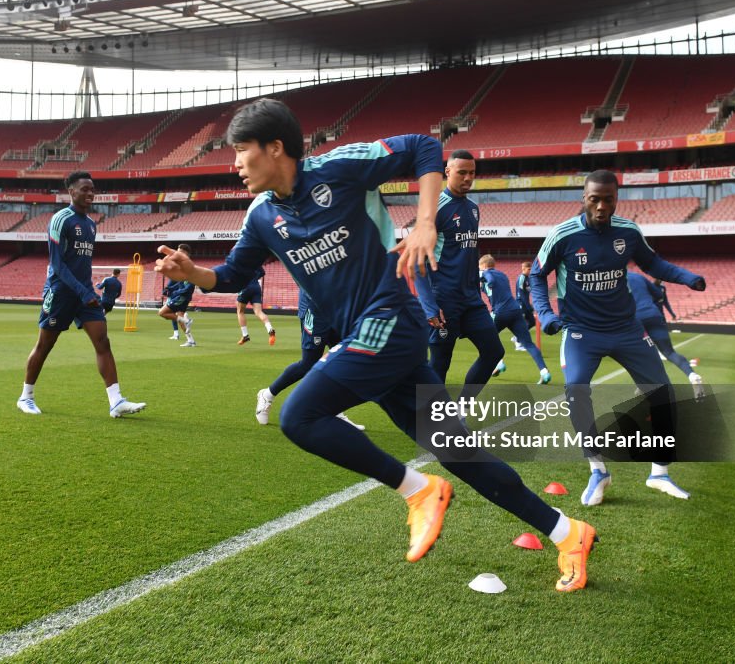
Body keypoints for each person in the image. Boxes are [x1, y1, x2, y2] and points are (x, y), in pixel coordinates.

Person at [156, 99, 596, 591]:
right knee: (459, 452)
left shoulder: (339, 170)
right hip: (366, 339)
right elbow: (235, 272)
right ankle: (567, 532)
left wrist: (427, 222)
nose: (235, 163)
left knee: (299, 416)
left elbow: (425, 148)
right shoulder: (261, 216)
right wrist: (191, 273)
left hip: (391, 318)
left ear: (275, 148)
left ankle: (418, 490)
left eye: (242, 151)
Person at [530, 170, 706, 506]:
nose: (600, 206)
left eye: (607, 199)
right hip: (582, 331)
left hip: (627, 329)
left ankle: (659, 473)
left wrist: (687, 277)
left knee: (663, 393)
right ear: (584, 198)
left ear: (616, 199)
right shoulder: (563, 235)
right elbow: (538, 275)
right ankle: (598, 469)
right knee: (576, 389)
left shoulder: (628, 231)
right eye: (593, 199)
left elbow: (653, 263)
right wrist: (546, 314)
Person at [16, 171, 146, 418]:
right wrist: (81, 291)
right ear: (71, 191)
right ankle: (26, 397)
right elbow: (57, 265)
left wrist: (86, 292)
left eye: (92, 189)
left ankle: (116, 401)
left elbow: (81, 263)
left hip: (85, 295)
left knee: (102, 341)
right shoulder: (60, 219)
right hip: (61, 292)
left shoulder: (91, 224)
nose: (90, 193)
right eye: (84, 189)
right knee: (45, 344)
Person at [412, 149, 505, 399]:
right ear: (448, 172)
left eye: (472, 173)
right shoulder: (434, 209)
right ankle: (431, 422)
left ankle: (462, 408)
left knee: (494, 352)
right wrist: (430, 306)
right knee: (440, 362)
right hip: (443, 302)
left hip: (471, 301)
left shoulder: (473, 209)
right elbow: (416, 263)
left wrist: (476, 291)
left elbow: (468, 255)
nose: (468, 178)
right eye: (462, 172)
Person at [255, 289, 363, 430]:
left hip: (337, 309)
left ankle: (333, 410)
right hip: (314, 309)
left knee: (343, 361)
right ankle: (267, 395)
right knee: (308, 363)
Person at [479, 255, 551, 384]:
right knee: (528, 344)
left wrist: (487, 280)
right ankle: (544, 371)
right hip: (515, 311)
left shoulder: (486, 274)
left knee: (484, 339)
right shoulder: (503, 275)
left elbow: (489, 279)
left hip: (500, 313)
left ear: (484, 266)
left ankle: (499, 363)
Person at [628, 272, 702, 394]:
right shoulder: (638, 276)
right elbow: (658, 294)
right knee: (669, 352)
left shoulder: (612, 281)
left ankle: (644, 385)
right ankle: (692, 376)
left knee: (638, 356)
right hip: (654, 314)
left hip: (635, 319)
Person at [157, 244, 197, 347]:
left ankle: (187, 320)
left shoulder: (189, 266)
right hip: (182, 296)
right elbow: (180, 283)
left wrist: (175, 293)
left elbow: (189, 287)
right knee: (179, 318)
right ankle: (191, 340)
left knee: (162, 313)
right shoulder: (183, 266)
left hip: (182, 297)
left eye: (180, 252)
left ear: (186, 253)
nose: (177, 253)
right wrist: (169, 289)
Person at [235, 266, 276, 345]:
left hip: (245, 287)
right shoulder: (254, 260)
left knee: (240, 311)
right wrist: (254, 278)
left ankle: (245, 335)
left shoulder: (239, 260)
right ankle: (270, 328)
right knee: (258, 312)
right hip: (256, 287)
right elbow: (262, 272)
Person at [515, 261, 535, 350]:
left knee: (532, 322)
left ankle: (517, 337)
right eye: (529, 269)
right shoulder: (522, 278)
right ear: (523, 269)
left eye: (531, 269)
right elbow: (522, 294)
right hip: (521, 304)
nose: (530, 271)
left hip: (526, 303)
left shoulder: (528, 279)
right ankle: (518, 343)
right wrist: (528, 306)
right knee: (522, 324)